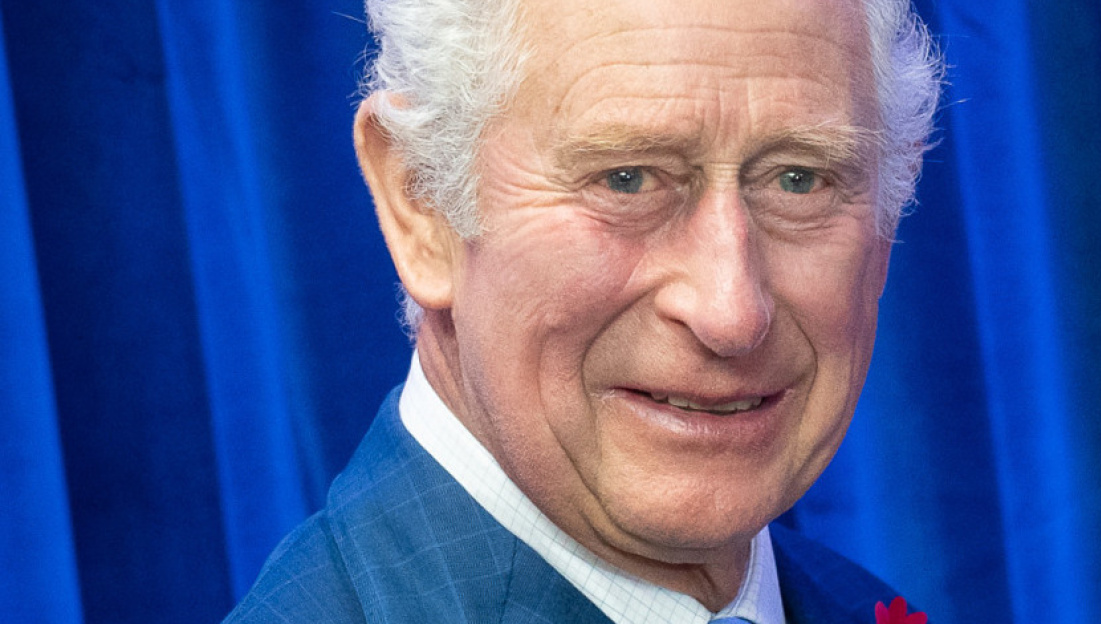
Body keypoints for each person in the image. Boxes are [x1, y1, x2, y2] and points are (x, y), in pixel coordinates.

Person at [225, 0, 941, 621]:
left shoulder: (851, 601)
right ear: (423, 204)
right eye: (626, 180)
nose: (731, 313)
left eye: (798, 179)